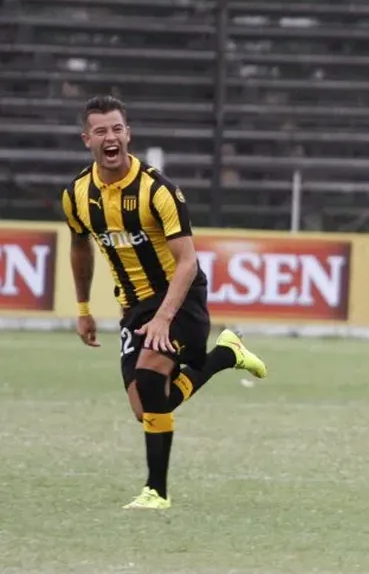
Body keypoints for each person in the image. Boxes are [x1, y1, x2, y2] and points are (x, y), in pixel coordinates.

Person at [61, 95, 268, 510]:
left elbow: (188, 261)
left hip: (180, 297)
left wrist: (163, 319)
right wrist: (83, 308)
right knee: (147, 406)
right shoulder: (78, 195)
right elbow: (79, 245)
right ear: (87, 139)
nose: (111, 137)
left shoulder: (159, 190)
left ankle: (156, 492)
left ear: (128, 134)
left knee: (153, 381)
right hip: (132, 306)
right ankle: (226, 354)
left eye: (117, 128)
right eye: (101, 130)